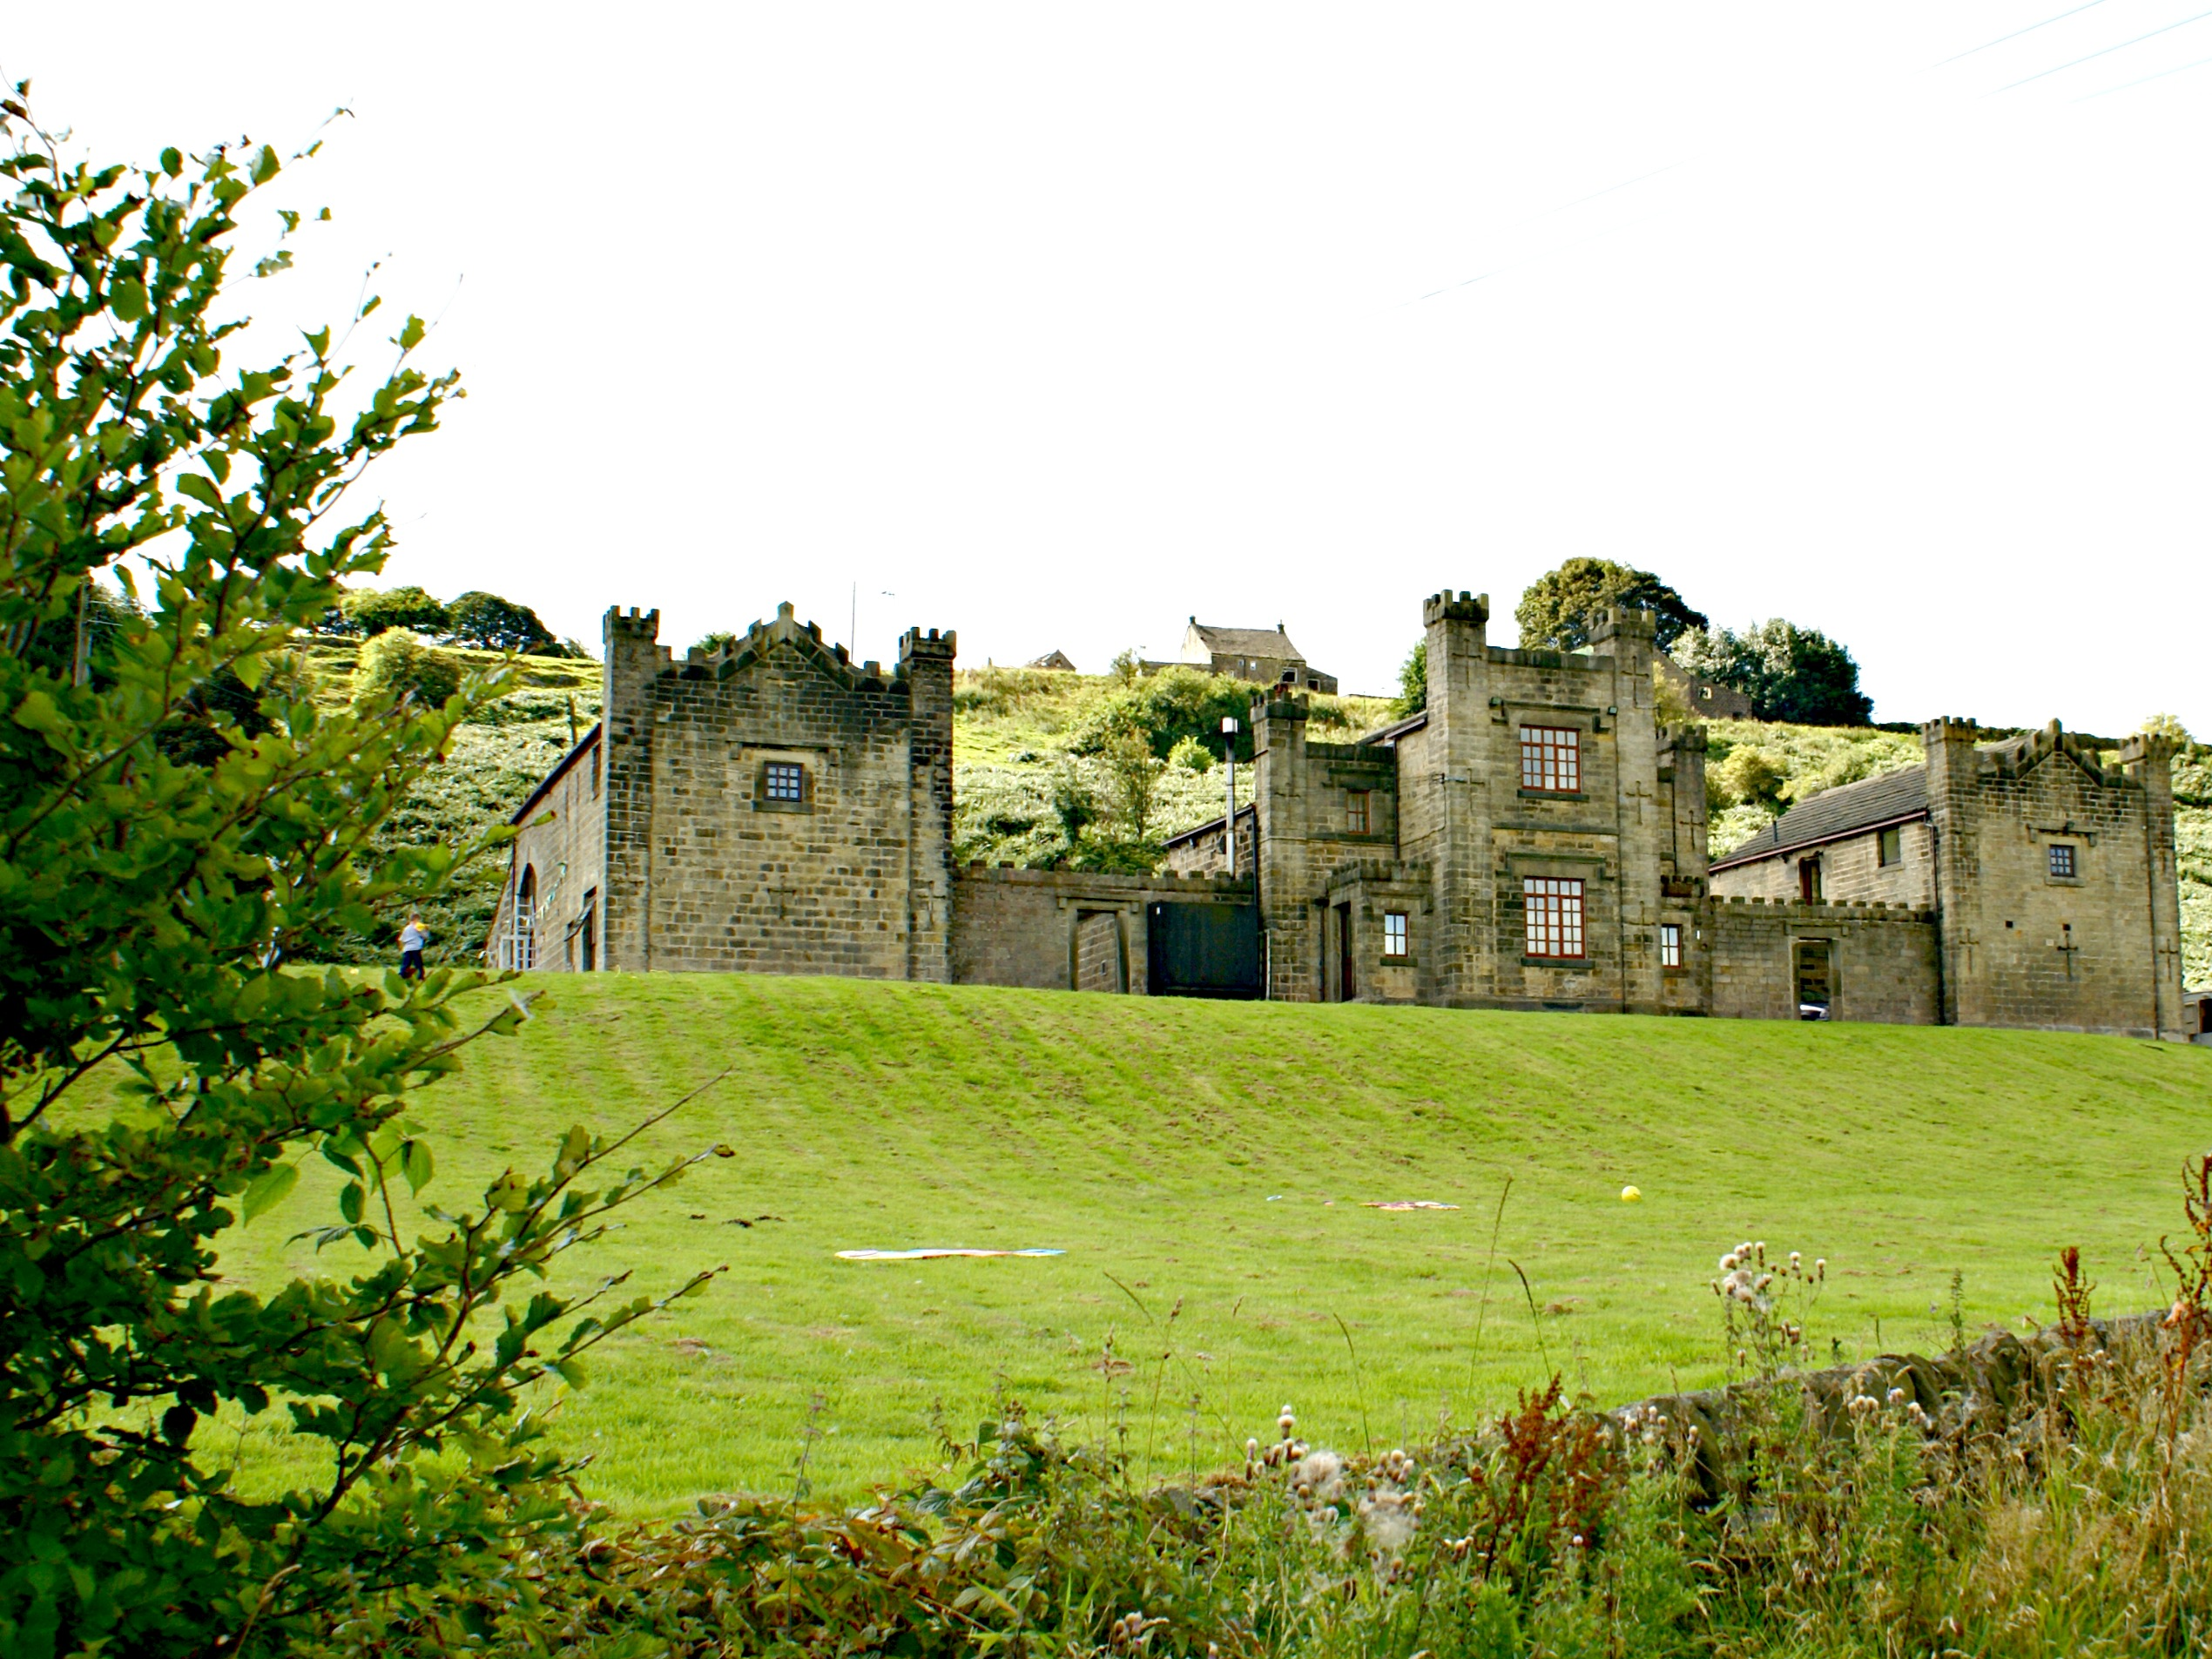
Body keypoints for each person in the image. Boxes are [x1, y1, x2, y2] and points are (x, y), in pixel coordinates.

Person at [398, 913, 429, 981]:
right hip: (416, 947)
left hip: (407, 948)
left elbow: (401, 939)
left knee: (406, 963)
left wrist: (401, 948)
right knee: (418, 963)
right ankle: (420, 976)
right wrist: (426, 930)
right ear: (416, 919)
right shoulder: (418, 926)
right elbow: (425, 936)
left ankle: (402, 975)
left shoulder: (406, 928)